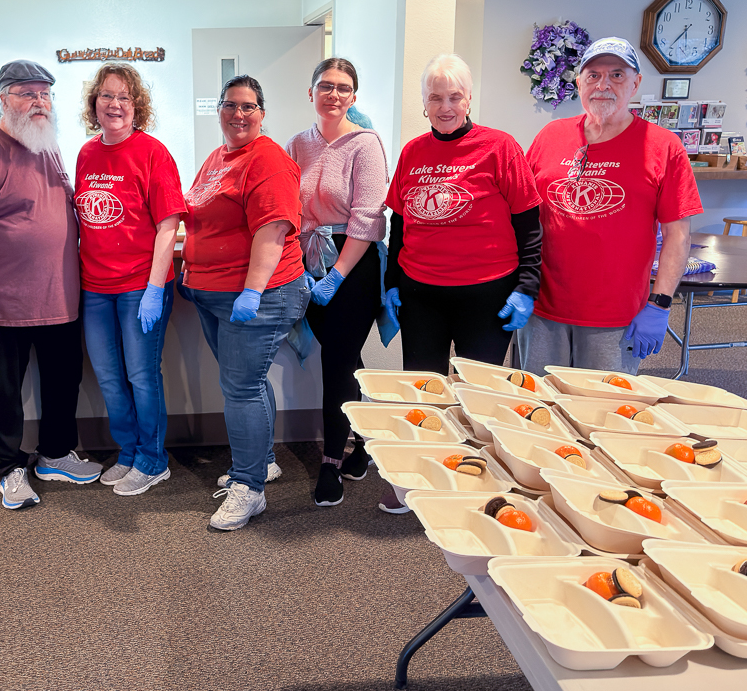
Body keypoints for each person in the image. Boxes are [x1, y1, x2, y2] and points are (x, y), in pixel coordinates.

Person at [383, 54, 543, 510]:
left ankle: (479, 480)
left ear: (469, 99)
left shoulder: (500, 147)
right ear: (424, 102)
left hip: (487, 293)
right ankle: (422, 475)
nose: (445, 107)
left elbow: (529, 223)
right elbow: (400, 224)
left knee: (482, 391)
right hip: (421, 293)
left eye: (454, 97)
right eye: (436, 98)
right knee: (423, 387)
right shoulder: (413, 152)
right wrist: (392, 280)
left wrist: (527, 285)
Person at [0, 59, 101, 511]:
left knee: (63, 382)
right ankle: (10, 469)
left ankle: (54, 454)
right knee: (1, 395)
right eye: (27, 93)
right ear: (3, 99)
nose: (39, 102)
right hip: (1, 304)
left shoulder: (46, 145)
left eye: (45, 94)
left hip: (58, 298)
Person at [517, 37, 702, 374]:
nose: (603, 85)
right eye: (593, 75)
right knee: (538, 399)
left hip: (615, 317)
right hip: (542, 309)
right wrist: (517, 284)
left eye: (617, 75)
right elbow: (523, 215)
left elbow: (678, 235)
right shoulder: (550, 136)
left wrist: (660, 304)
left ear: (636, 83)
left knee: (603, 403)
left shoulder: (664, 147)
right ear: (579, 83)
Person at [181, 75, 310, 531]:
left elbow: (272, 230)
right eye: (230, 105)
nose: (239, 114)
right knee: (249, 384)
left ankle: (249, 487)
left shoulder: (267, 159)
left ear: (262, 113)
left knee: (240, 390)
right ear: (219, 109)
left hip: (258, 294)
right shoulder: (219, 157)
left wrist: (252, 291)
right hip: (215, 293)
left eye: (249, 106)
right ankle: (263, 462)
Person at [75, 64, 185, 496]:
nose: (115, 104)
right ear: (94, 104)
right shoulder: (86, 154)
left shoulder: (153, 153)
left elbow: (168, 225)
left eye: (124, 97)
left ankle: (153, 460)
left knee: (141, 375)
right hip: (94, 287)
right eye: (107, 95)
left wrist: (155, 289)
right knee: (108, 376)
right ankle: (129, 451)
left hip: (141, 285)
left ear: (137, 105)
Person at [285, 58, 389, 508]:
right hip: (309, 260)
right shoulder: (297, 144)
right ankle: (365, 440)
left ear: (353, 96)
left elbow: (368, 219)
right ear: (311, 92)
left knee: (336, 362)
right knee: (345, 359)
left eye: (343, 87)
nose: (334, 94)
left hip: (352, 263)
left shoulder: (366, 144)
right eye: (325, 85)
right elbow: (288, 206)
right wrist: (301, 267)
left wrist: (336, 276)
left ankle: (331, 461)